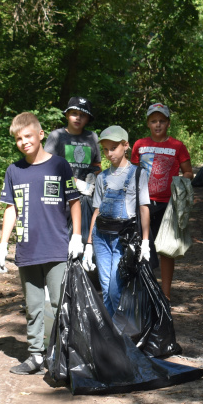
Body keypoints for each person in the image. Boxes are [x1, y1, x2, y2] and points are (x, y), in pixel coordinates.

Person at [0, 112, 83, 375]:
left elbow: (74, 201)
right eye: (18, 139)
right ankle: (35, 355)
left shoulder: (60, 165)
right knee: (33, 306)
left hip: (56, 247)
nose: (24, 142)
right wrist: (2, 244)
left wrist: (76, 236)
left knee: (58, 303)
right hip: (27, 249)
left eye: (28, 136)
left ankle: (59, 352)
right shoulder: (14, 170)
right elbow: (11, 208)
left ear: (40, 135)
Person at [83, 126, 152, 315]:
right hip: (101, 237)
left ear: (126, 145)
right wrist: (88, 243)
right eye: (105, 149)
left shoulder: (139, 174)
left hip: (123, 239)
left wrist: (145, 241)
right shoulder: (102, 177)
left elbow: (144, 209)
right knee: (105, 290)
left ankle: (122, 336)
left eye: (113, 147)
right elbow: (96, 210)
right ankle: (112, 338)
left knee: (115, 290)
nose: (109, 153)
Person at [130, 102, 193, 301]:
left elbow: (188, 172)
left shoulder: (177, 146)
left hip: (168, 206)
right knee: (143, 246)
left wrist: (181, 184)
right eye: (153, 121)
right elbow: (132, 172)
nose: (158, 125)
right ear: (148, 123)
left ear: (168, 123)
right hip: (143, 204)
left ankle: (165, 294)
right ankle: (145, 292)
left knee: (166, 249)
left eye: (162, 121)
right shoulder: (139, 145)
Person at [45, 96, 101, 241]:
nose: (78, 118)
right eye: (74, 113)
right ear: (67, 115)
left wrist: (94, 178)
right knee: (58, 235)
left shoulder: (92, 137)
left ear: (88, 118)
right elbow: (47, 166)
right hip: (60, 196)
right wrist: (74, 181)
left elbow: (96, 165)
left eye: (83, 115)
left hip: (84, 197)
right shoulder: (57, 136)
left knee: (80, 237)